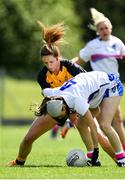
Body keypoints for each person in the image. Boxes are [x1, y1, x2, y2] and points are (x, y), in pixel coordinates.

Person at [6, 21, 102, 167]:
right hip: (57, 109)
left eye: (51, 62)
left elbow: (87, 85)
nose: (49, 66)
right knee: (28, 139)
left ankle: (117, 160)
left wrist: (76, 110)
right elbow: (50, 98)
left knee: (99, 136)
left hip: (78, 105)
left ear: (58, 58)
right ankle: (19, 162)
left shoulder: (70, 67)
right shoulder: (42, 76)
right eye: (45, 63)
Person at [73, 8, 125, 158]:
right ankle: (114, 150)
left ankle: (123, 149)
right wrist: (63, 65)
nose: (104, 30)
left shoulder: (117, 42)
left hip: (113, 85)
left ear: (111, 28)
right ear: (97, 31)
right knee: (103, 122)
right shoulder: (93, 45)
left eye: (107, 27)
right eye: (101, 28)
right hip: (98, 86)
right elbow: (78, 61)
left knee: (116, 118)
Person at [42, 70, 125, 167]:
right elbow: (44, 91)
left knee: (105, 125)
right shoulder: (55, 93)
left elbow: (92, 126)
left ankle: (122, 159)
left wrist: (96, 149)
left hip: (111, 85)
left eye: (60, 115)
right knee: (80, 125)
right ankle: (91, 157)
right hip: (95, 88)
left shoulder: (77, 101)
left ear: (63, 107)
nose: (60, 118)